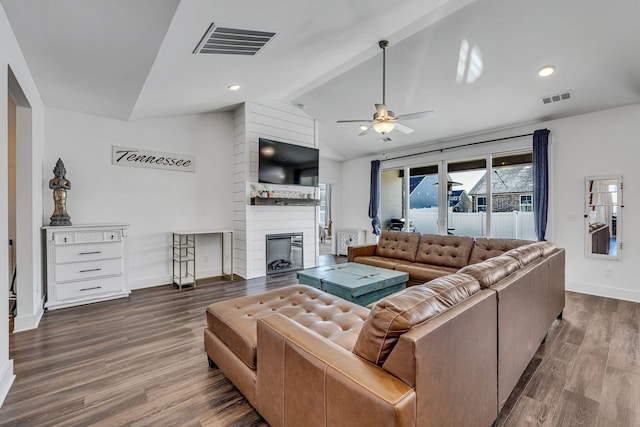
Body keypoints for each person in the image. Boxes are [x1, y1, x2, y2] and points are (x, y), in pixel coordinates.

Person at [49, 158, 72, 226]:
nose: (60, 173)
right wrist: (58, 185)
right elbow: (51, 187)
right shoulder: (53, 180)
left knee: (63, 204)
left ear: (64, 172)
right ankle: (57, 214)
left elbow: (69, 187)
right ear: (55, 172)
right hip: (56, 193)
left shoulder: (66, 181)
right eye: (58, 171)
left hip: (63, 194)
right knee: (57, 204)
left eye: (61, 171)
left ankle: (64, 214)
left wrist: (63, 186)